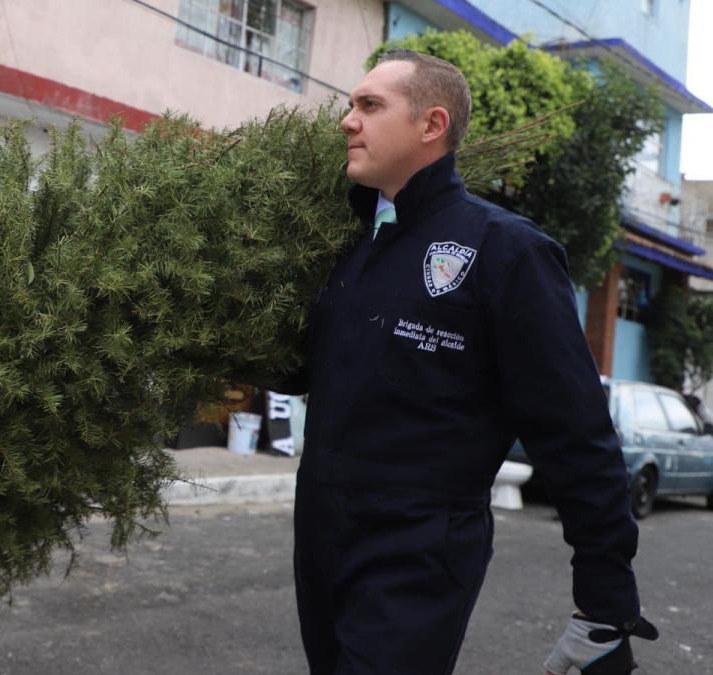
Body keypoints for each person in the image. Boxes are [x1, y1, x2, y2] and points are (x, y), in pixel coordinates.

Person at [280, 51, 657, 674]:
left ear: (431, 125)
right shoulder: (349, 245)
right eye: (352, 105)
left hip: (418, 554)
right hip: (320, 539)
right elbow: (321, 373)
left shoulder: (507, 251)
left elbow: (576, 434)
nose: (348, 121)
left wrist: (605, 602)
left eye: (369, 106)